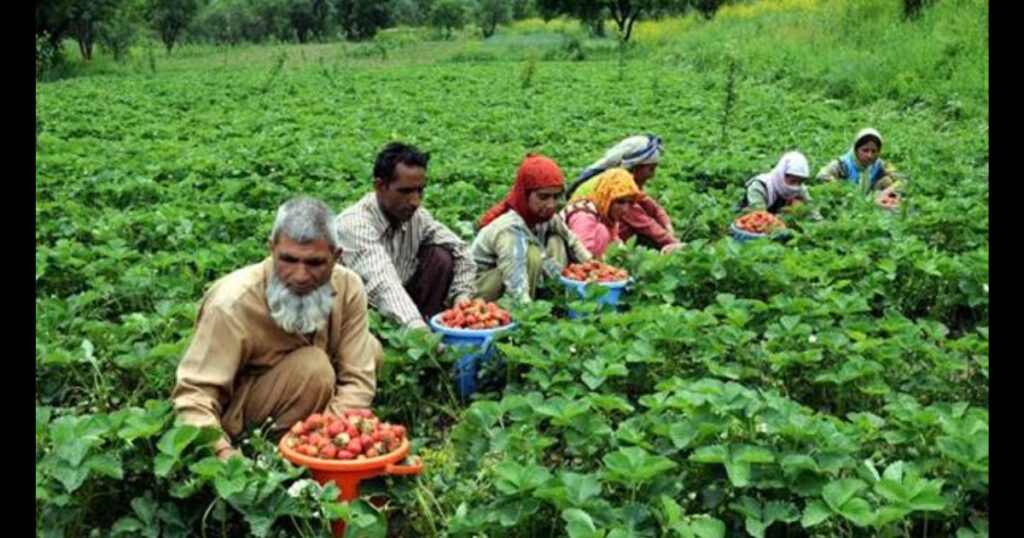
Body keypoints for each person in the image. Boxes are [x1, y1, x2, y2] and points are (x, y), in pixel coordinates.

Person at [173, 197, 382, 460]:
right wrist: (223, 453)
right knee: (314, 368)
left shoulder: (348, 286)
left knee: (371, 349)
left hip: (312, 409)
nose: (300, 276)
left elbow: (358, 381)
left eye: (315, 263)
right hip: (247, 411)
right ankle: (270, 452)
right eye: (288, 260)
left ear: (336, 256)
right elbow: (194, 395)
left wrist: (326, 439)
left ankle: (305, 447)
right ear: (272, 249)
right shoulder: (232, 303)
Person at [335, 142, 476, 331]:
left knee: (440, 257)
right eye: (405, 191)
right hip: (358, 316)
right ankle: (419, 336)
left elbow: (461, 250)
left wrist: (462, 298)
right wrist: (417, 329)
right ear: (380, 186)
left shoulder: (417, 217)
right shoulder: (355, 225)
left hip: (402, 305)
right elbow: (383, 283)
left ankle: (429, 328)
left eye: (420, 190)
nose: (415, 201)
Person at [472, 153, 592, 302]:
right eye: (543, 197)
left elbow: (573, 242)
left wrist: (595, 271)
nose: (551, 205)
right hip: (482, 290)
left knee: (557, 241)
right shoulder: (509, 227)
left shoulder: (545, 216)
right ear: (525, 194)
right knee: (532, 256)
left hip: (517, 277)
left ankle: (554, 297)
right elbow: (515, 282)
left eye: (556, 197)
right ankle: (531, 305)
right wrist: (530, 316)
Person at [568, 134, 681, 251]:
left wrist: (667, 225)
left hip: (601, 230)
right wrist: (676, 244)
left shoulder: (624, 181)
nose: (652, 175)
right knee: (632, 226)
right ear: (636, 168)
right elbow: (645, 224)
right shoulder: (617, 186)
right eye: (650, 169)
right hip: (586, 235)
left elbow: (651, 205)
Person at [562, 168, 642, 257]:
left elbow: (616, 242)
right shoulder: (583, 215)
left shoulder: (607, 215)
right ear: (607, 197)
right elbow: (582, 255)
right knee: (602, 232)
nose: (625, 209)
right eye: (620, 202)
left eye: (630, 203)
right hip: (568, 261)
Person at [817, 128, 905, 201]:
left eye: (874, 151)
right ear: (856, 149)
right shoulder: (843, 164)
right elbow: (822, 176)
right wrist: (842, 190)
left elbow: (900, 177)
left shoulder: (878, 163)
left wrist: (888, 190)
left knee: (888, 181)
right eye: (865, 150)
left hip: (872, 199)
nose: (869, 155)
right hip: (846, 200)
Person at [736, 151, 817, 215]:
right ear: (781, 175)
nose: (796, 186)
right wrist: (788, 213)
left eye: (800, 182)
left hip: (778, 221)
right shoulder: (759, 186)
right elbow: (760, 215)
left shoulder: (799, 188)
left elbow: (811, 208)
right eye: (793, 181)